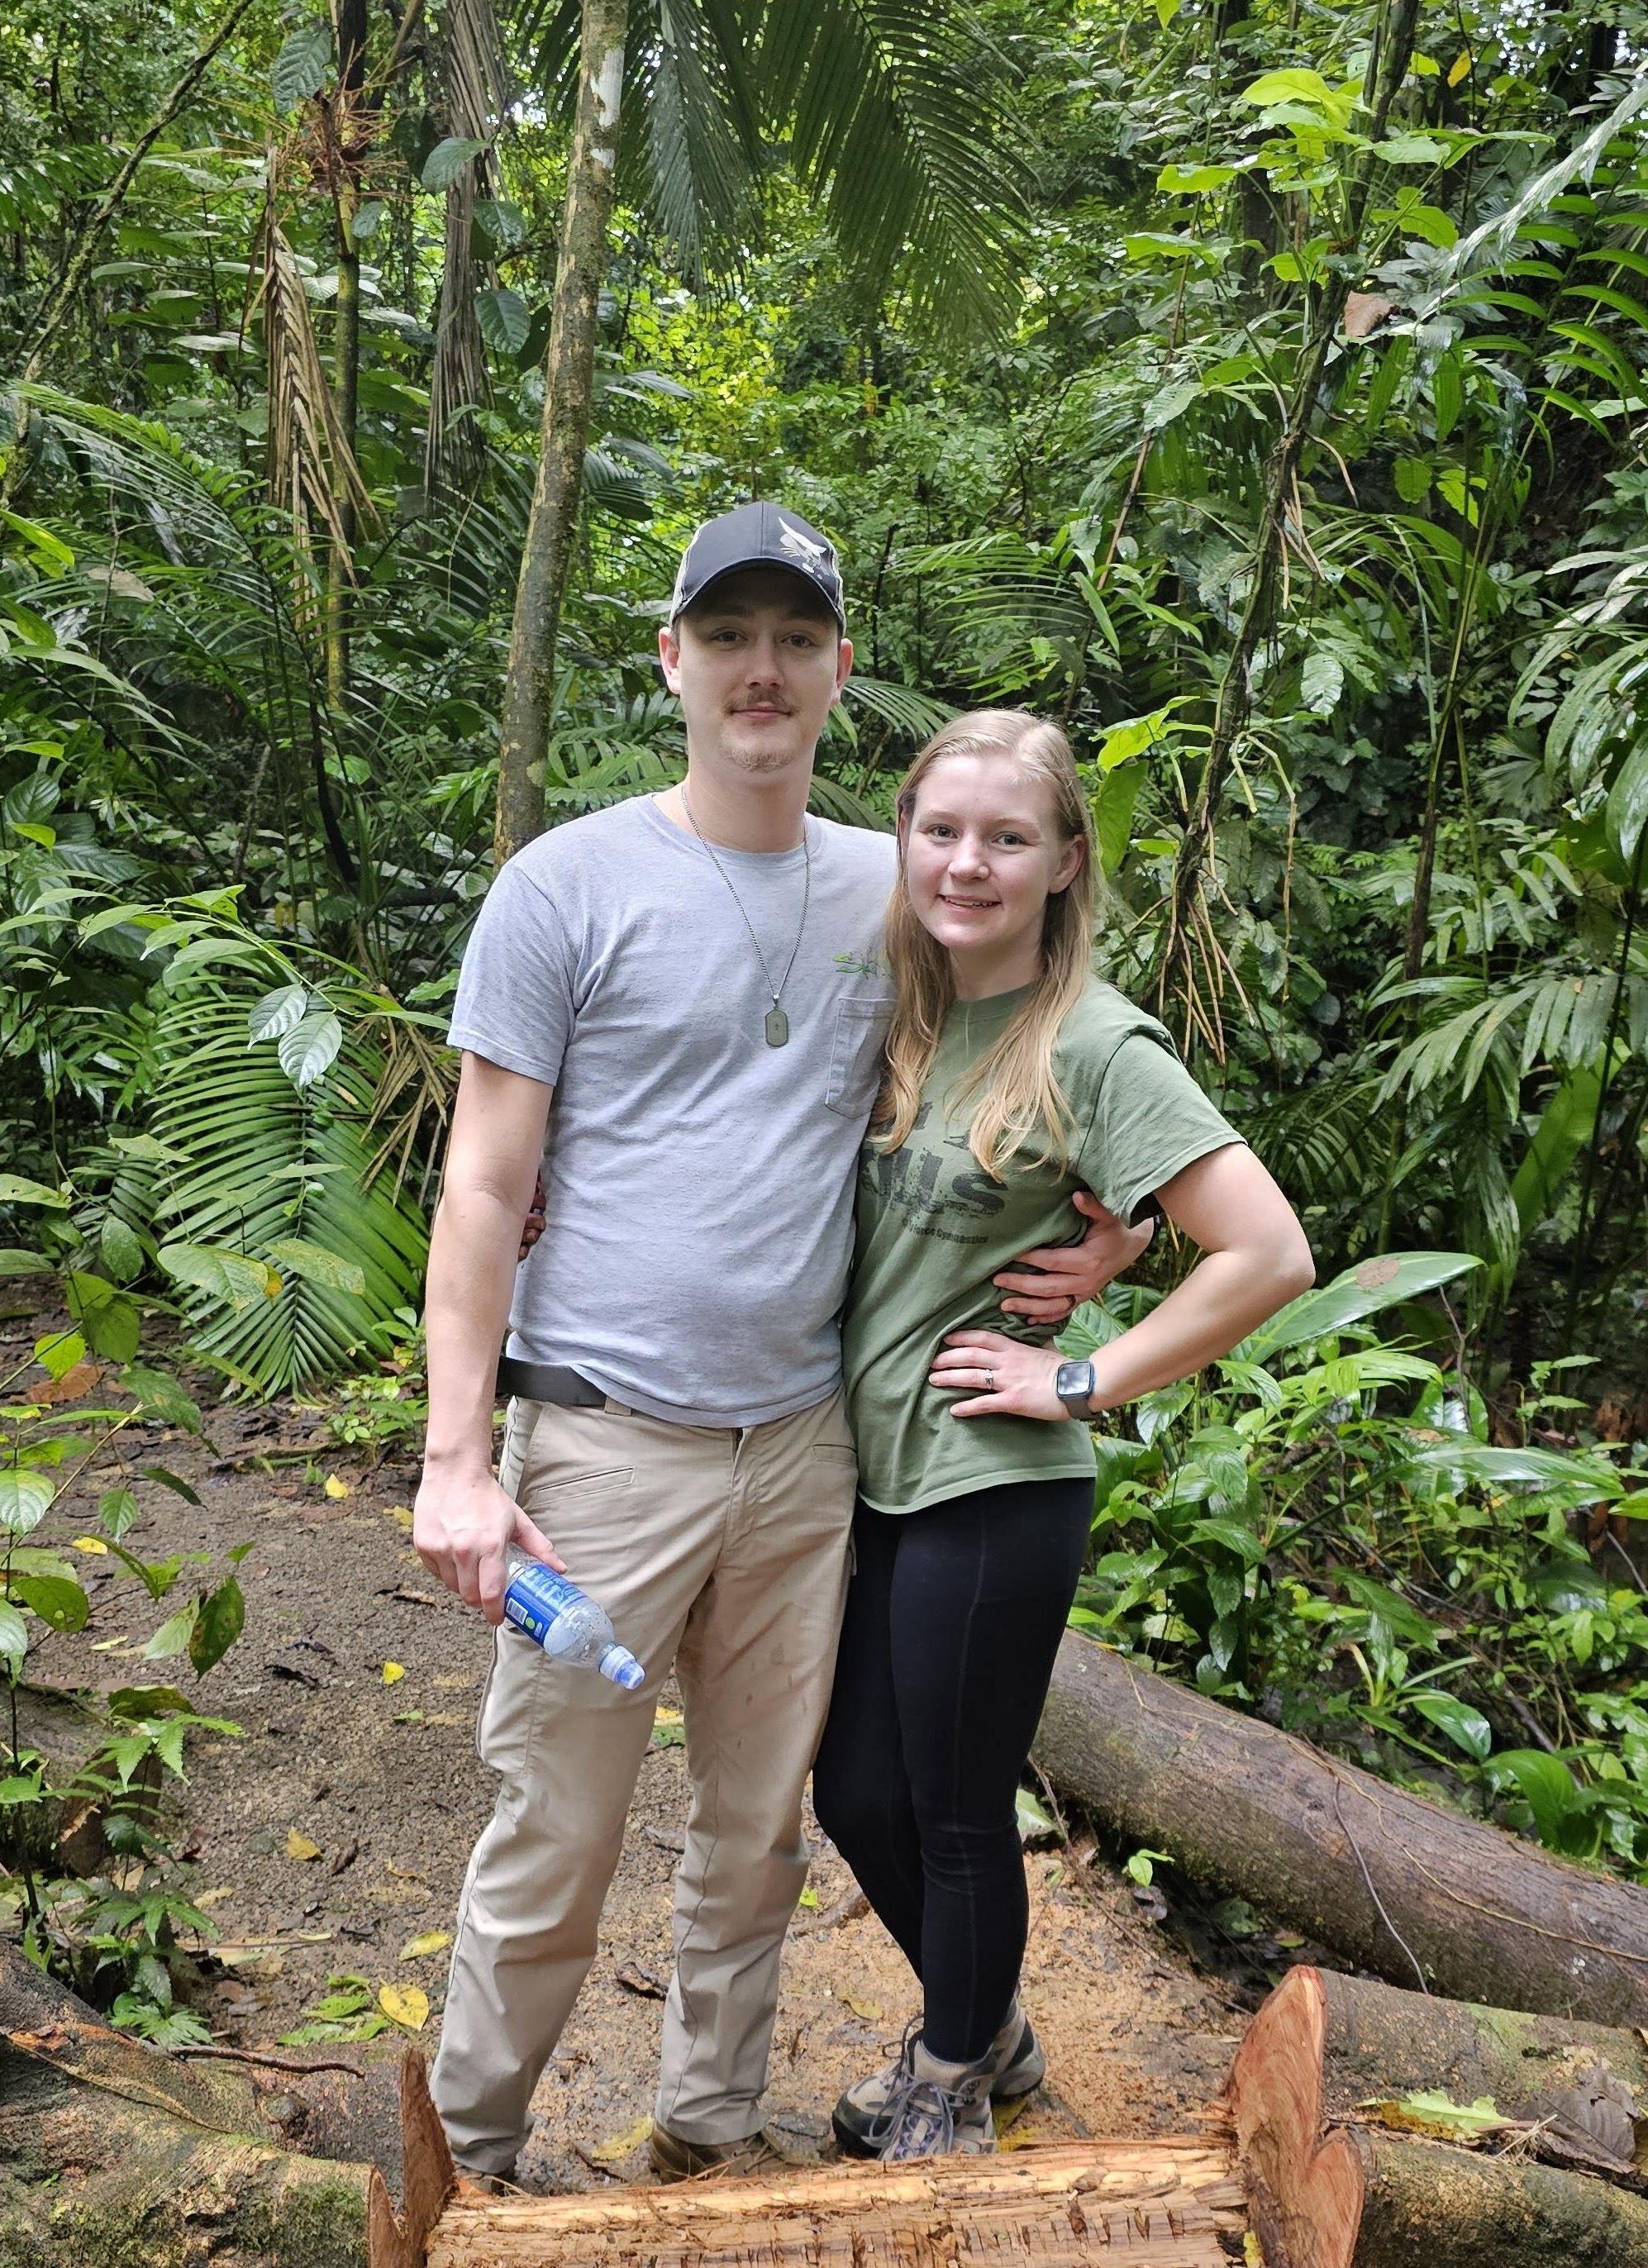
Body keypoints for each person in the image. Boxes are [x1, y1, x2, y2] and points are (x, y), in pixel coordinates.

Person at [411, 505, 1151, 2185]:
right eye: (728, 637)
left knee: (757, 1833)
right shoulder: (565, 885)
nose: (763, 670)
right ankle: (466, 2152)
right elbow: (482, 1179)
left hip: (810, 1444)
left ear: (836, 674)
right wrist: (457, 1460)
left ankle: (710, 2133)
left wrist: (1123, 1223)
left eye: (796, 641)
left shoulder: (897, 885)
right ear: (672, 660)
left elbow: (1045, 1041)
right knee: (559, 1831)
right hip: (602, 1438)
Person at [811, 709, 1315, 2162]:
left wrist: (1084, 1377)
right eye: (941, 830)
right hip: (880, 1470)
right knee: (853, 1792)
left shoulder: (1091, 1037)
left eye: (1006, 837)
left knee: (955, 1808)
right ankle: (988, 2026)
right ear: (903, 839)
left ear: (1064, 860)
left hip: (994, 1475)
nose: (967, 862)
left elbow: (1266, 1250)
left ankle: (956, 2075)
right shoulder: (908, 1002)